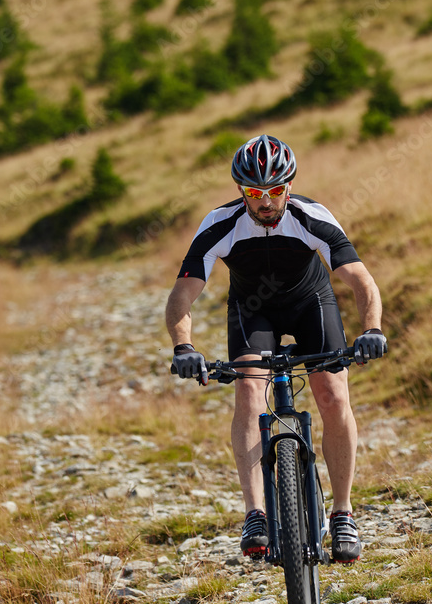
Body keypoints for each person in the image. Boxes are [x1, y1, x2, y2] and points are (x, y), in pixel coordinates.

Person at [165, 134, 387, 563]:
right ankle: (256, 514)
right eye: (254, 193)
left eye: (275, 191)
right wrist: (183, 347)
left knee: (333, 394)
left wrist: (372, 329)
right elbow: (182, 295)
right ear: (240, 192)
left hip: (311, 304)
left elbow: (362, 281)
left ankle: (343, 512)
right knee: (249, 393)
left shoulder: (311, 217)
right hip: (253, 312)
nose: (265, 202)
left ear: (289, 186)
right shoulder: (219, 225)